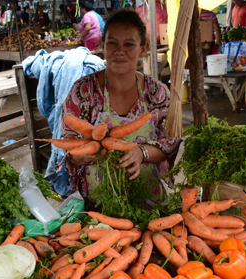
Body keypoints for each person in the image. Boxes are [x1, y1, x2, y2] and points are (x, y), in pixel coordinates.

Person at [61, 10, 181, 204]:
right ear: (102, 46)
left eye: (129, 44)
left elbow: (170, 143)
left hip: (148, 200)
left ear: (143, 49)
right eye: (112, 43)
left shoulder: (156, 92)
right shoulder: (83, 91)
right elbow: (69, 141)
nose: (119, 51)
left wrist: (142, 153)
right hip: (95, 203)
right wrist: (80, 155)